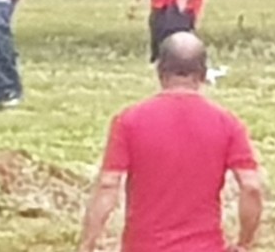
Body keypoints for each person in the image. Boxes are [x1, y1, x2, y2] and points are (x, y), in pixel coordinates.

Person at [79, 32, 264, 252]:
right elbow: (251, 187)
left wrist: (87, 243)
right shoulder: (228, 123)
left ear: (160, 71)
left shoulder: (129, 121)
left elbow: (108, 185)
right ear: (203, 74)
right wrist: (244, 242)